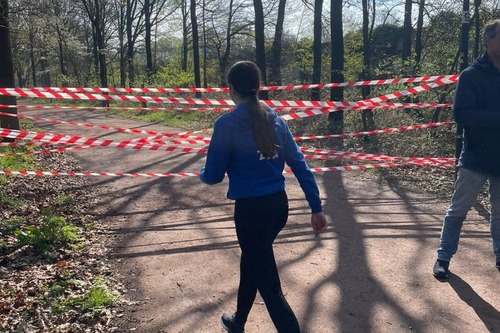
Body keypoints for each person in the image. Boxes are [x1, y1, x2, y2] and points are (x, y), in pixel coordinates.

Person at [199, 60, 328, 332]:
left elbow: (212, 176)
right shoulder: (277, 120)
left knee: (269, 285)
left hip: (251, 214)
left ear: (231, 88)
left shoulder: (226, 124)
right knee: (253, 261)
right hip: (278, 209)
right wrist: (316, 207)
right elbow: (300, 164)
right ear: (258, 87)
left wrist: (202, 171)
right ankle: (238, 321)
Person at [433, 19, 500, 279]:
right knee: (458, 210)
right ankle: (443, 257)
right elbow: (462, 114)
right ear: (488, 41)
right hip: (475, 157)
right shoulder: (471, 75)